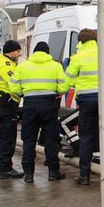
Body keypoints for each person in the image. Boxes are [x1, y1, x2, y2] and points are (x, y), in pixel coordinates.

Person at [65, 28, 104, 186]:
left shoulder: (77, 57)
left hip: (86, 101)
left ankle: (84, 175)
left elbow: (67, 81)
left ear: (80, 41)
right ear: (95, 39)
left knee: (86, 137)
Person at [10, 41, 68, 184]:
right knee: (51, 139)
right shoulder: (55, 66)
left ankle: (29, 174)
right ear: (48, 53)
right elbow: (63, 87)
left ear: (34, 52)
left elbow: (14, 89)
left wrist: (25, 92)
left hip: (30, 105)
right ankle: (53, 172)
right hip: (49, 104)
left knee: (28, 140)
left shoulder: (23, 66)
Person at [0, 40, 24, 179]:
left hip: (1, 103)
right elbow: (14, 83)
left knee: (2, 136)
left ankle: (1, 168)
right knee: (8, 137)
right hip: (7, 103)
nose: (19, 54)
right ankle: (5, 168)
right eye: (18, 51)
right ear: (11, 52)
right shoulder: (5, 64)